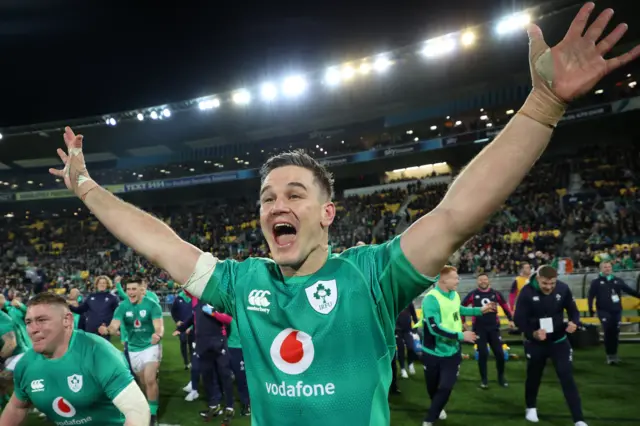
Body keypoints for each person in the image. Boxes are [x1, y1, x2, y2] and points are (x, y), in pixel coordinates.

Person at [49, 4, 640, 424]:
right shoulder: (243, 282)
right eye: (266, 197)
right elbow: (159, 242)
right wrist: (87, 189)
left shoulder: (374, 275)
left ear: (329, 211)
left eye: (294, 194)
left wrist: (542, 104)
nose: (277, 205)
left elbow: (457, 213)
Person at [0, 293, 149, 426]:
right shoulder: (26, 364)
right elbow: (16, 408)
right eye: (28, 322)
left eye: (42, 320)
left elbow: (136, 409)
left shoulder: (97, 352)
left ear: (67, 320)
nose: (33, 329)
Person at [420, 266, 496, 425]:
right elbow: (434, 329)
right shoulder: (430, 299)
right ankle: (438, 407)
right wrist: (462, 335)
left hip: (452, 351)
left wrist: (480, 310)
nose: (458, 280)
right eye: (455, 278)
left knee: (446, 386)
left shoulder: (454, 294)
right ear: (443, 280)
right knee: (432, 388)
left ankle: (429, 419)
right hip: (432, 352)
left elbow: (458, 309)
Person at [514, 265, 586, 425]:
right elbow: (519, 320)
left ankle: (579, 419)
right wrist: (532, 333)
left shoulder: (563, 288)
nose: (549, 287)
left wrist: (575, 322)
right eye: (545, 283)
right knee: (534, 375)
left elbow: (573, 310)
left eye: (552, 283)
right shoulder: (526, 292)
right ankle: (531, 407)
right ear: (538, 279)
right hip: (535, 343)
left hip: (559, 341)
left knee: (567, 377)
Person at [99, 278, 164, 426]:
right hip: (134, 348)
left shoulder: (152, 305)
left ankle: (152, 414)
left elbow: (159, 326)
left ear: (141, 290)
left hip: (151, 346)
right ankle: (150, 401)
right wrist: (108, 330)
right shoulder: (122, 307)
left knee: (149, 379)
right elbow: (114, 326)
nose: (130, 292)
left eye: (134, 289)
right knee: (142, 382)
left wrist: (157, 335)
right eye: (128, 289)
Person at [174, 297, 235, 423]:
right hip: (202, 343)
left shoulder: (218, 297)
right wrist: (181, 329)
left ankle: (229, 406)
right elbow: (194, 317)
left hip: (218, 342)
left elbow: (228, 319)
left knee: (224, 375)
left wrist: (212, 312)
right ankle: (214, 406)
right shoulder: (196, 299)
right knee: (207, 376)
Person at [461, 273, 513, 388]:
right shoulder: (473, 294)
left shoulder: (496, 294)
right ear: (477, 282)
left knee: (499, 354)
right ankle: (484, 380)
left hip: (494, 328)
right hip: (479, 329)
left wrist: (510, 319)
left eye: (485, 279)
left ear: (489, 281)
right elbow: (462, 306)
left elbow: (505, 306)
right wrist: (463, 322)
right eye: (480, 280)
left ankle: (501, 377)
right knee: (483, 354)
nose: (483, 281)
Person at [587, 260, 640, 364]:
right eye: (605, 267)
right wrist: (591, 309)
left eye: (609, 267)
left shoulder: (617, 280)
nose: (607, 269)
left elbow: (629, 291)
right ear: (601, 269)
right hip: (603, 311)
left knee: (615, 333)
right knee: (608, 331)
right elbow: (590, 296)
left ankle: (614, 354)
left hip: (616, 311)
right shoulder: (596, 282)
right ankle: (609, 355)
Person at [227, 315, 251, 416]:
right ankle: (227, 404)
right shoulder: (225, 310)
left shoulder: (244, 313)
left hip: (240, 348)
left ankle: (246, 404)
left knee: (241, 379)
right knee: (224, 377)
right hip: (226, 346)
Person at [171, 290, 194, 370]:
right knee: (183, 342)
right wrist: (177, 321)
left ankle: (192, 361)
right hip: (182, 326)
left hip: (192, 326)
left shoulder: (195, 298)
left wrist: (191, 327)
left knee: (192, 344)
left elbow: (197, 313)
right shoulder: (178, 299)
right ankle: (186, 362)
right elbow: (173, 312)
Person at [395, 303, 419, 379]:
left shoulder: (409, 303)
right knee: (400, 349)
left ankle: (410, 363)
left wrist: (415, 330)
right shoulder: (395, 301)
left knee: (411, 347)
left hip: (408, 330)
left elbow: (414, 316)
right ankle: (403, 369)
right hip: (397, 330)